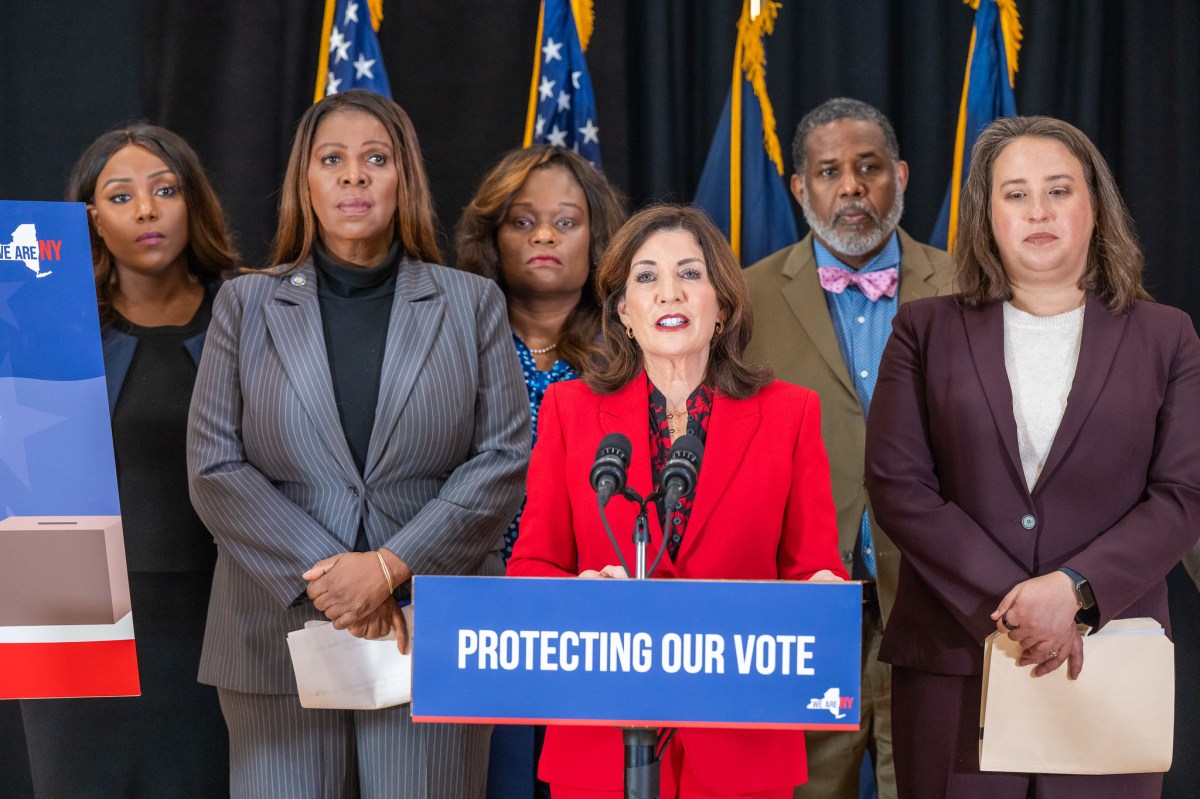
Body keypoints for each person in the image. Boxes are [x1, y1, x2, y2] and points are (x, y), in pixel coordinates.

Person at [187, 89, 530, 798]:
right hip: (272, 631)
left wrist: (387, 566)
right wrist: (335, 573)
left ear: (404, 177)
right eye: (332, 160)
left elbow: (503, 459)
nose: (353, 176)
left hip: (426, 624)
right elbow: (215, 465)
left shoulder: (472, 303)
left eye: (375, 159)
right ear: (304, 182)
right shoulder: (243, 305)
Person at [864, 115, 1200, 798]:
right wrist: (1018, 604)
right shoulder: (922, 329)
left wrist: (1075, 590)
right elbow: (897, 483)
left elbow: (1182, 494)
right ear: (986, 215)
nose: (1038, 211)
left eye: (1058, 190)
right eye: (1015, 194)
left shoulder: (1167, 336)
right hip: (957, 672)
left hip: (1108, 666)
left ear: (1095, 206)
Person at [508, 204, 848, 798]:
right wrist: (578, 593)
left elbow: (814, 566)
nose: (670, 294)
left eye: (691, 275)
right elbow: (533, 565)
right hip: (602, 737)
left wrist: (820, 595)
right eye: (646, 278)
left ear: (722, 305)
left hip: (741, 739)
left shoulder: (790, 414)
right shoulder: (570, 412)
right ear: (623, 311)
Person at [743, 97, 953, 799]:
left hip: (934, 609)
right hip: (803, 615)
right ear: (800, 189)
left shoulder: (966, 287)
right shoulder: (744, 297)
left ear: (901, 175)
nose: (852, 187)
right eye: (829, 171)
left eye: (869, 168)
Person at [20, 123, 237, 797]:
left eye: (165, 189)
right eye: (121, 196)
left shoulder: (253, 309)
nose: (146, 209)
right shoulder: (43, 324)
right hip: (73, 619)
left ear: (192, 202)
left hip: (221, 622)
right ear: (91, 219)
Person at [455, 143, 626, 799]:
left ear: (598, 236)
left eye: (566, 220)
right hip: (478, 615)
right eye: (522, 221)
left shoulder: (635, 353)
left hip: (594, 618)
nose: (545, 235)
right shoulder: (449, 337)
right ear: (493, 235)